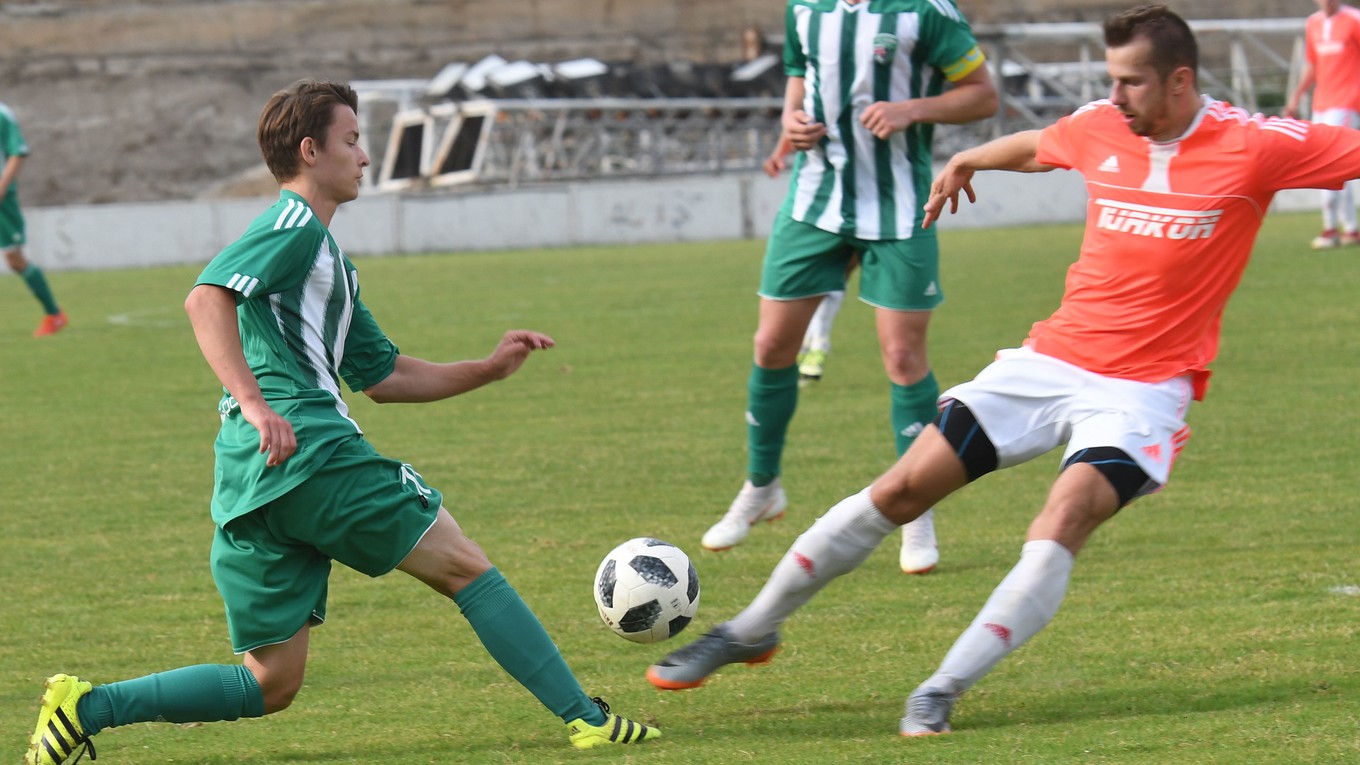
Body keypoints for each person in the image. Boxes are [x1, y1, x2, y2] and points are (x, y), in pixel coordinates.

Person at [650, 4, 1360, 736]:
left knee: (1060, 519)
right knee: (898, 489)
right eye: (1110, 80)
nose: (1115, 97)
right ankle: (751, 628)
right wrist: (968, 159)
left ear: (1180, 81)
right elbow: (1039, 145)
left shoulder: (1257, 146)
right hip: (1049, 361)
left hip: (1142, 392)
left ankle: (942, 686)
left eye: (1131, 82)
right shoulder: (1102, 123)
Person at [23, 79, 657, 765]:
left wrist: (486, 367)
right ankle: (585, 717)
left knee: (271, 682)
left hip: (252, 477)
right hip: (310, 452)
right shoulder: (291, 227)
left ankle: (85, 707)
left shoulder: (330, 265)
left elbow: (385, 377)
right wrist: (259, 401)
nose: (364, 155)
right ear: (310, 150)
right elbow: (206, 299)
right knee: (466, 568)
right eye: (352, 140)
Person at [703, 0, 999, 582]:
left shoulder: (926, 11)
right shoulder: (805, 8)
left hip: (898, 206)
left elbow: (983, 94)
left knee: (904, 357)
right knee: (771, 347)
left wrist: (913, 108)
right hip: (815, 202)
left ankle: (916, 512)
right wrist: (789, 123)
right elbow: (800, 71)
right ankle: (762, 487)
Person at [762, 133, 857, 387]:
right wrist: (780, 151)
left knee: (838, 274)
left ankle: (817, 342)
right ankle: (815, 343)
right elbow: (801, 114)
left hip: (874, 198)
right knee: (827, 277)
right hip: (823, 198)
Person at [1285, 0, 1360, 248]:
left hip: (1347, 103)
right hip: (1322, 104)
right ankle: (1351, 229)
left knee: (1329, 163)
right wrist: (1295, 98)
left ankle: (1329, 229)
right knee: (1337, 169)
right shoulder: (1313, 23)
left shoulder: (1354, 19)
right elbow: (1313, 65)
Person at [1, 100, 67, 337]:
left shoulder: (2, 114)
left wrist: (1, 187)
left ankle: (54, 314)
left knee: (15, 259)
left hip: (2, 202)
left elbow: (17, 152)